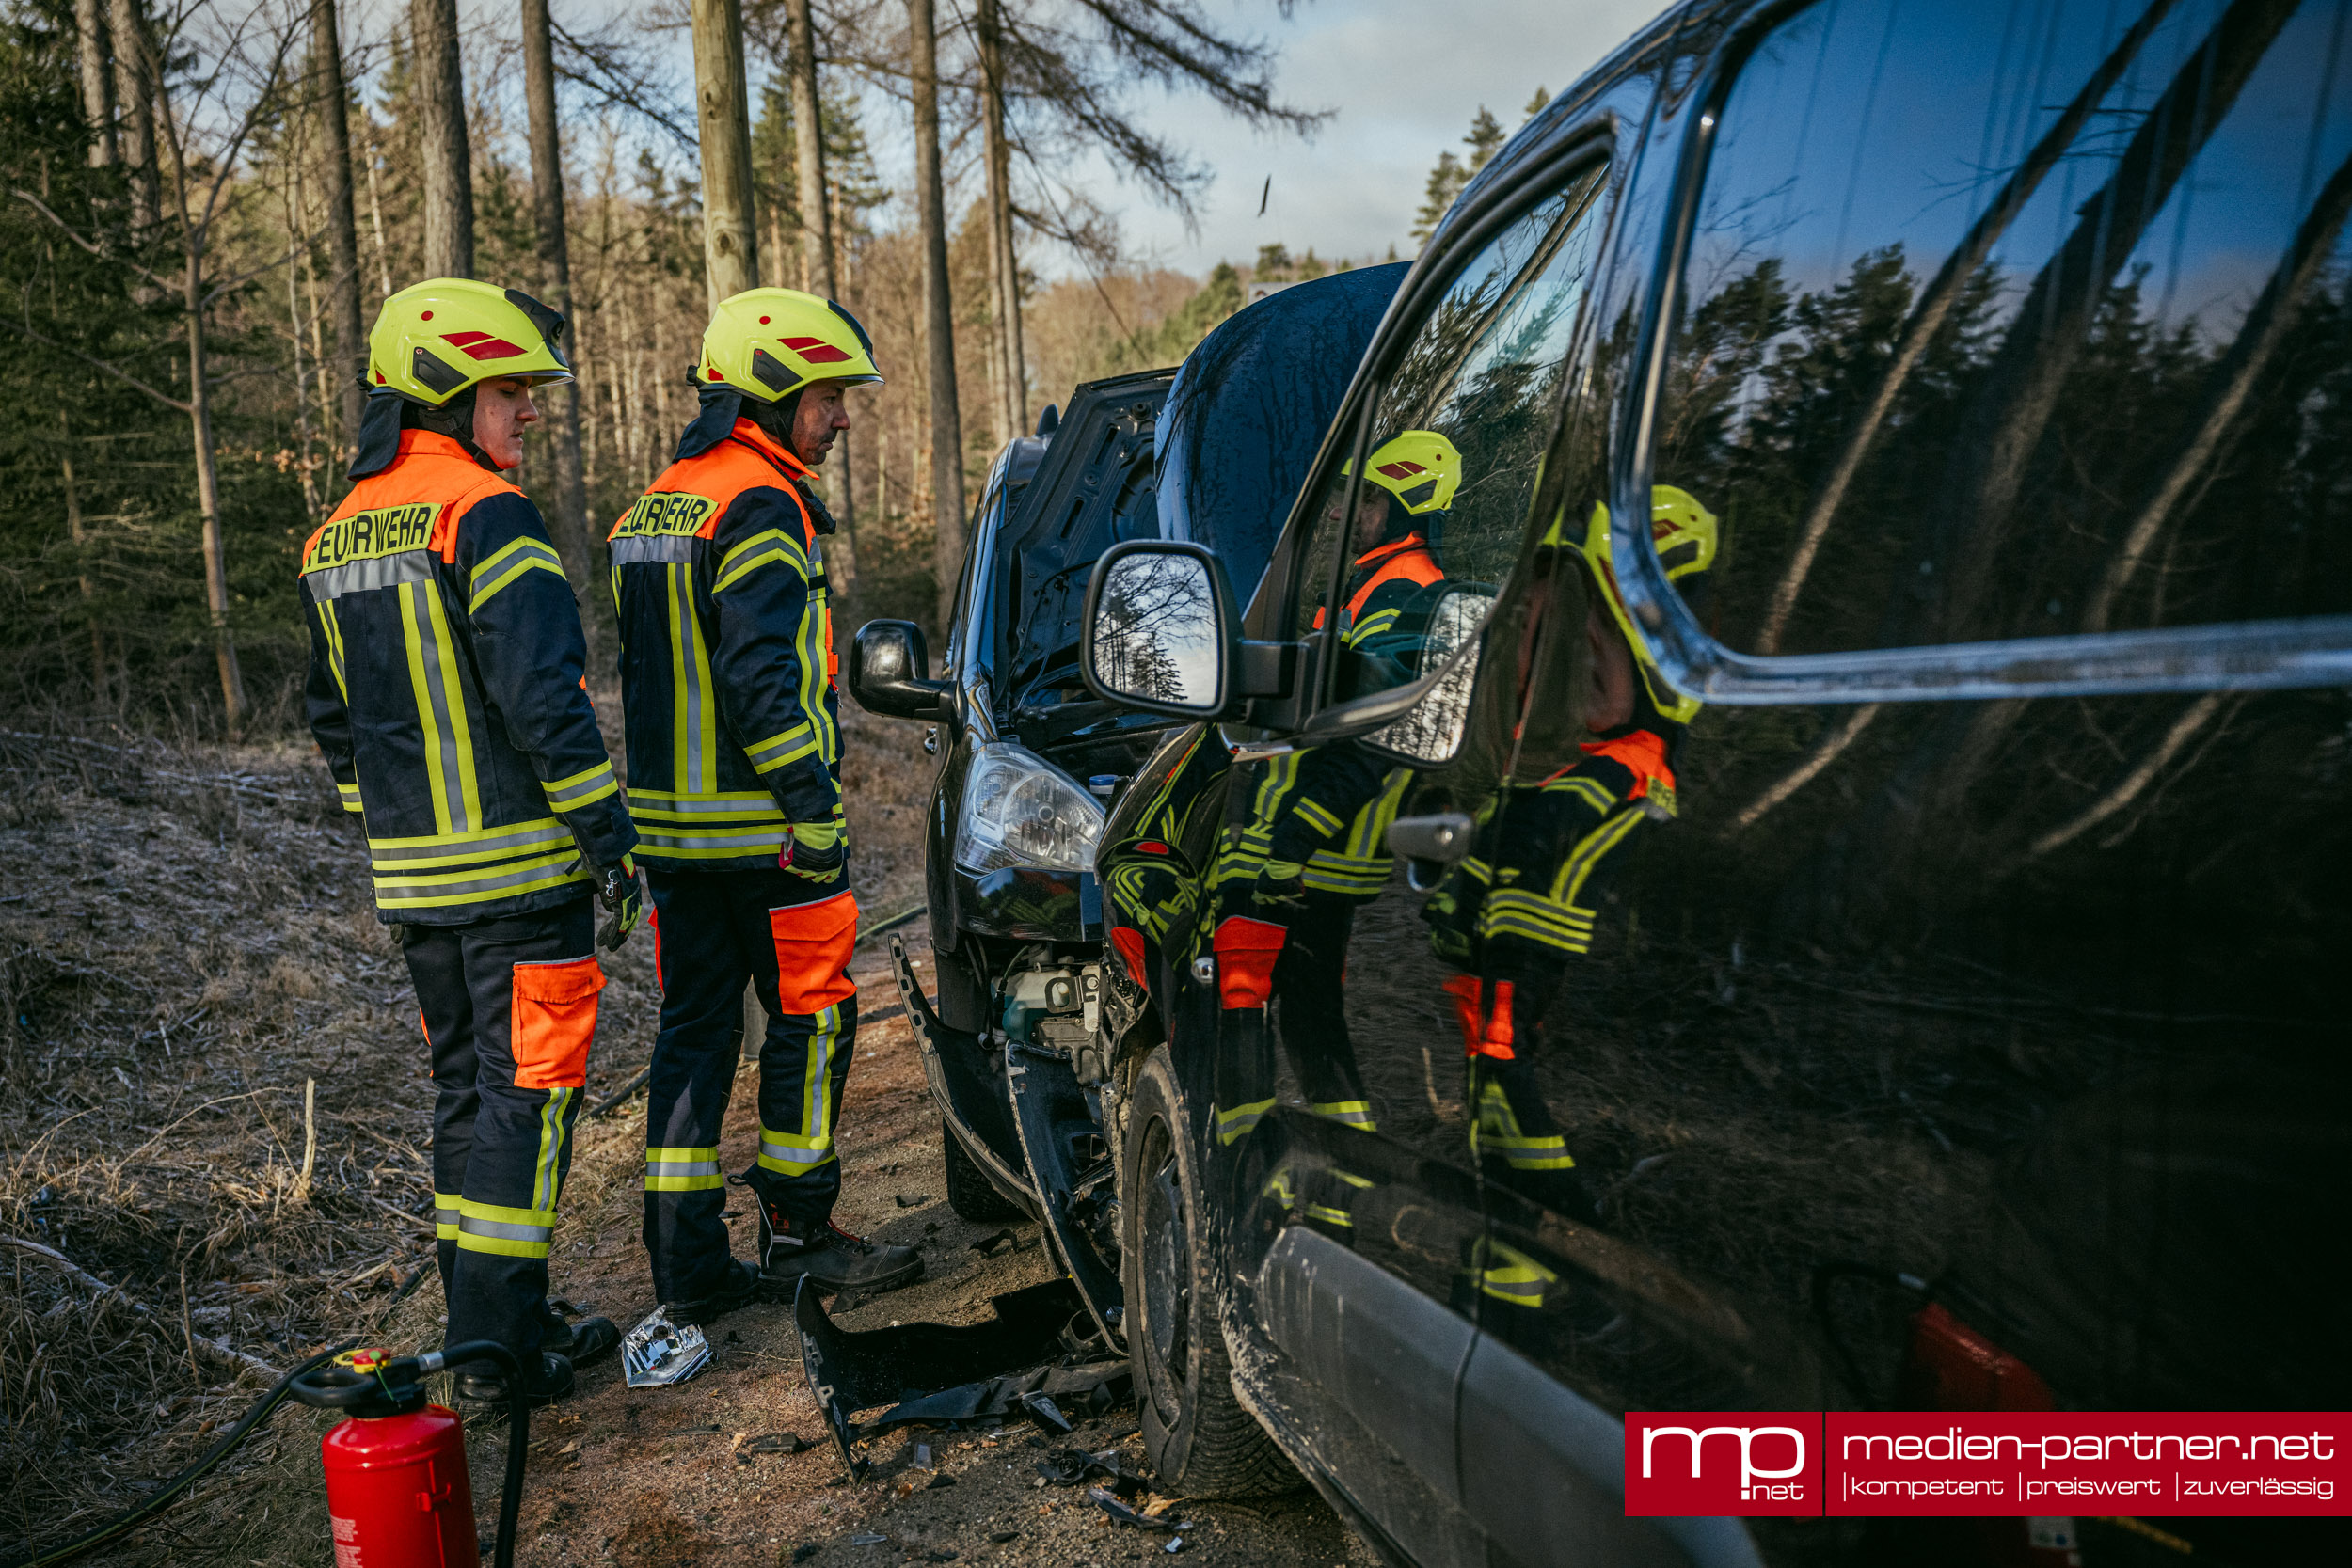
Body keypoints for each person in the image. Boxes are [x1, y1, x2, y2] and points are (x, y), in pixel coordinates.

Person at [300, 278, 637, 1407]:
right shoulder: (486, 513)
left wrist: (389, 826)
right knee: (527, 1100)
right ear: (445, 393)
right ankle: (498, 1354)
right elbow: (545, 700)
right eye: (510, 390)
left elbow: (332, 717)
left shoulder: (333, 537)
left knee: (465, 1094)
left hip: (417, 889)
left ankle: (487, 1320)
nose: (530, 409)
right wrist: (610, 838)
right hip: (523, 881)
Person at [612, 287, 920, 1323]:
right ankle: (799, 1234)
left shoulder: (656, 505)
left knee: (694, 1032)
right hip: (768, 834)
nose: (843, 418)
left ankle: (687, 1263)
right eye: (829, 397)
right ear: (774, 393)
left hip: (672, 836)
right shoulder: (761, 503)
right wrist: (812, 804)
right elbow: (759, 682)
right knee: (815, 1018)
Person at [1424, 485, 1718, 1235]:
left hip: (1541, 980)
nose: (1551, 658)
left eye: (1589, 637)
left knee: (1503, 1062)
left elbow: (1529, 888)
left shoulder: (1611, 780)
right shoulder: (1555, 775)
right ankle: (1518, 1239)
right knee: (1495, 1075)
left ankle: (1571, 1231)